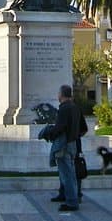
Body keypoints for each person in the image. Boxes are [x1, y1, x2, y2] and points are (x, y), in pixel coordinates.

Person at [40, 84, 82, 212]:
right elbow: (81, 127)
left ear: (61, 95)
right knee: (70, 173)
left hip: (64, 144)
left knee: (67, 174)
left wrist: (50, 133)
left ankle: (71, 202)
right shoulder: (75, 108)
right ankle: (70, 196)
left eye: (58, 94)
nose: (57, 96)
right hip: (73, 143)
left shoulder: (64, 109)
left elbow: (60, 127)